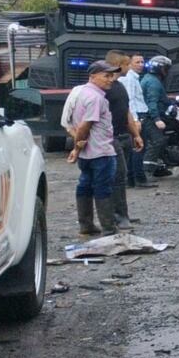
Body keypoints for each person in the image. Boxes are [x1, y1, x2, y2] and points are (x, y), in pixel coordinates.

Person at [68, 61, 121, 236]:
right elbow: (85, 125)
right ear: (92, 76)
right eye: (106, 76)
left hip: (87, 153)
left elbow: (72, 123)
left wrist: (77, 148)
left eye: (112, 75)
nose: (110, 79)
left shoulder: (81, 93)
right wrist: (77, 145)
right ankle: (108, 228)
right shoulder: (96, 98)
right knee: (103, 187)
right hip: (101, 151)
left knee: (85, 185)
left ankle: (86, 225)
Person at [104, 50, 144, 230]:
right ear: (118, 65)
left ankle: (123, 214)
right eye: (127, 64)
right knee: (115, 178)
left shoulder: (119, 86)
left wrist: (135, 134)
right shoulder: (106, 88)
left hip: (122, 135)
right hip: (109, 138)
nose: (130, 67)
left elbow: (126, 111)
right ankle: (116, 217)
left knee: (121, 176)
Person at [121, 54, 155, 188]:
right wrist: (135, 120)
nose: (141, 64)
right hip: (138, 115)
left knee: (135, 148)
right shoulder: (130, 79)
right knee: (139, 148)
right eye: (137, 62)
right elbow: (130, 100)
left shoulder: (134, 78)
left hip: (139, 114)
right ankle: (139, 178)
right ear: (129, 64)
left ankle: (131, 179)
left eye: (142, 61)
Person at [140, 55, 172, 178]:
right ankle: (147, 172)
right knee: (157, 141)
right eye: (166, 68)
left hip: (151, 115)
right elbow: (151, 102)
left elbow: (161, 99)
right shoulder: (153, 82)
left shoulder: (151, 79)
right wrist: (157, 119)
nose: (167, 71)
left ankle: (159, 166)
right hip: (149, 118)